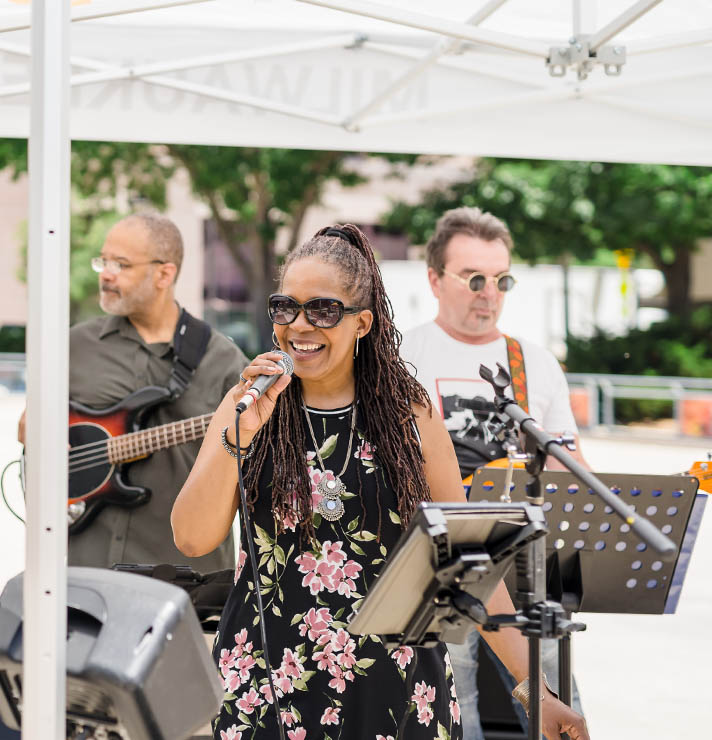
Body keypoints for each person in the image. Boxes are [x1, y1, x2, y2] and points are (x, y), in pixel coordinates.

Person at [172, 225, 588, 740]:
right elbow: (192, 537)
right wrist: (237, 434)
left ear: (363, 322)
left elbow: (467, 565)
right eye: (285, 308)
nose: (299, 325)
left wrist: (535, 691)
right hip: (267, 685)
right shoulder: (247, 406)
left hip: (398, 687)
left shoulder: (410, 415)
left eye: (322, 310)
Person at [399, 206, 585, 740]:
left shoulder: (534, 362)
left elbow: (568, 463)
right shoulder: (401, 355)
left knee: (554, 688)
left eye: (501, 279)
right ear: (434, 279)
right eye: (474, 278)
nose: (490, 292)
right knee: (453, 696)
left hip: (527, 564)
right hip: (438, 561)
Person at [18, 213, 248, 571]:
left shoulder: (224, 360)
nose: (105, 274)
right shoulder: (74, 345)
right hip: (85, 567)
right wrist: (37, 434)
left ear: (164, 274)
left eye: (121, 265)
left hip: (188, 579)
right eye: (104, 261)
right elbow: (31, 426)